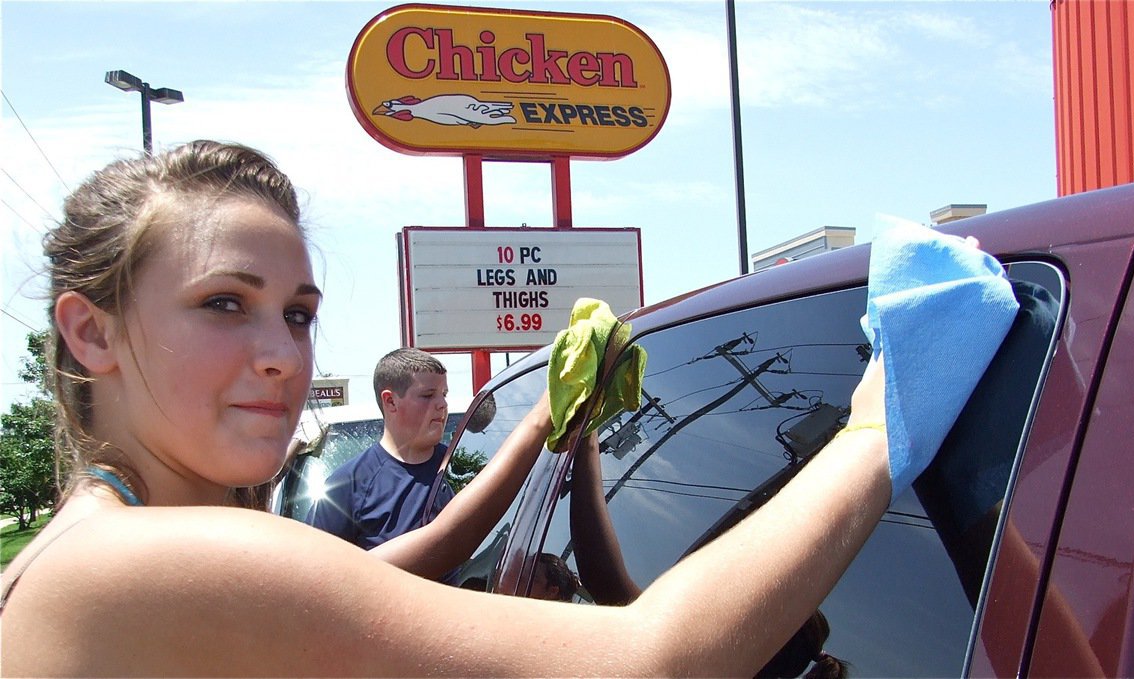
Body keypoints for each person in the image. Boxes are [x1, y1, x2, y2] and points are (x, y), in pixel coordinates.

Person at [0, 140, 947, 677]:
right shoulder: (152, 561)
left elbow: (423, 556)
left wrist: (542, 426)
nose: (281, 355)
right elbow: (654, 662)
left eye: (297, 314)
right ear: (90, 333)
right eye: (223, 303)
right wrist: (875, 424)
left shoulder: (97, 545)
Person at [306, 349, 457, 550]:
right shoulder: (347, 487)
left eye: (444, 394)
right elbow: (315, 569)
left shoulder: (462, 467)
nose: (442, 404)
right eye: (428, 395)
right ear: (390, 401)